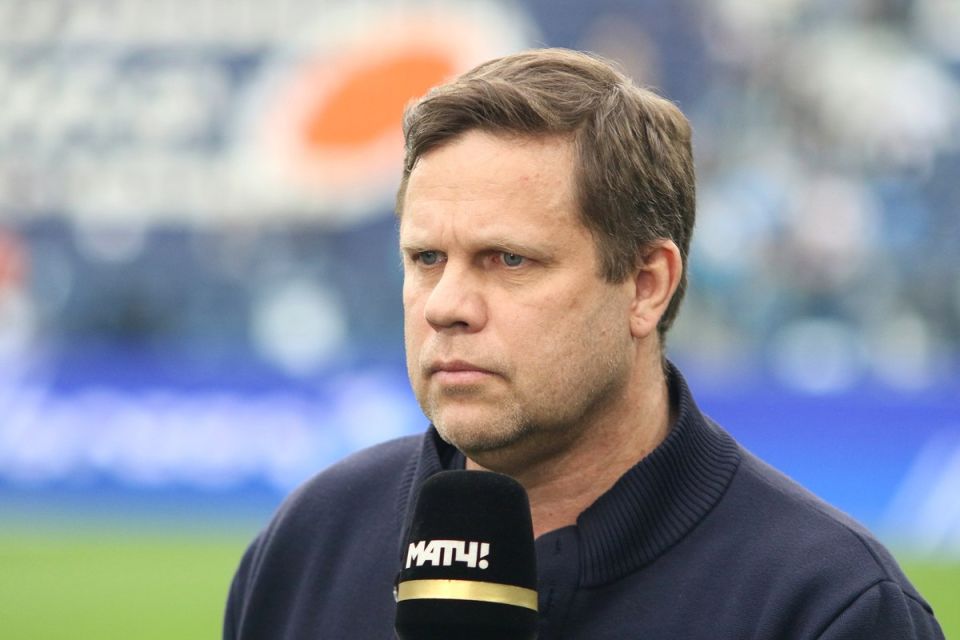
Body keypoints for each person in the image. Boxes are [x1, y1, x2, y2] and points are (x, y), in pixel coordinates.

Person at [223, 48, 944, 639]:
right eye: (426, 259)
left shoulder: (827, 606)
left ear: (646, 285)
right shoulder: (307, 546)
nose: (446, 307)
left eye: (509, 260)